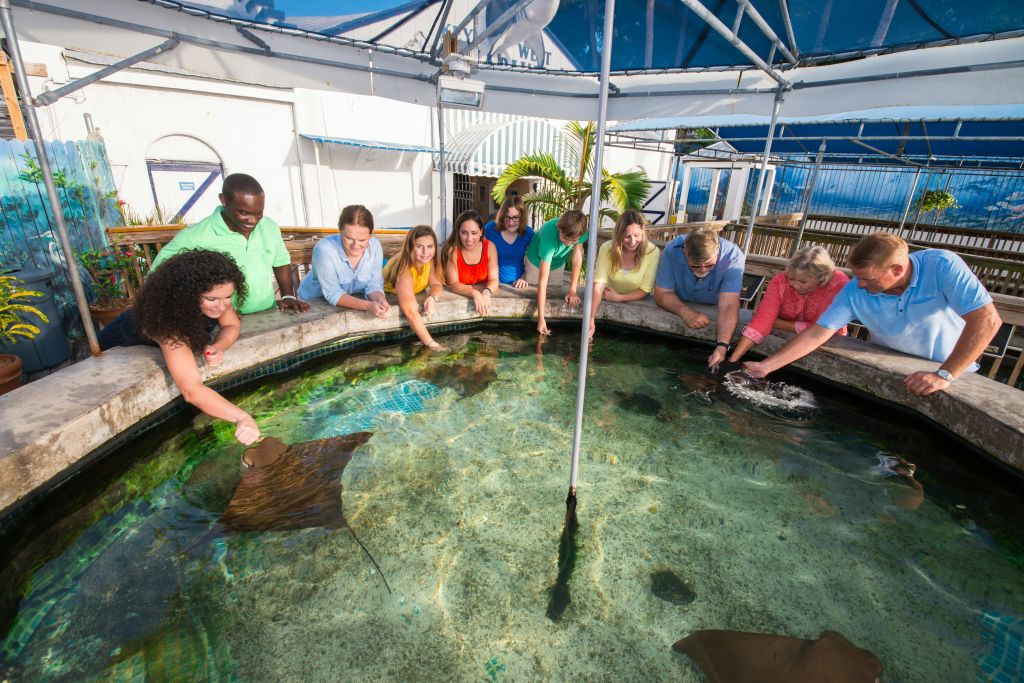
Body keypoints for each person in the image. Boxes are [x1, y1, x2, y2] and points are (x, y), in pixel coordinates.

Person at [744, 233, 1003, 396]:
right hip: (889, 366)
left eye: (868, 279)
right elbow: (816, 333)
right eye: (857, 277)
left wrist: (945, 374)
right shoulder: (854, 288)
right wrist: (766, 367)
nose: (860, 286)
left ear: (897, 269)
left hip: (948, 370)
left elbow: (987, 320)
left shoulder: (943, 266)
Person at [98, 249, 260, 445]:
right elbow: (191, 390)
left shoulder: (219, 297)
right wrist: (242, 417)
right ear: (187, 295)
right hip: (112, 351)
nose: (222, 306)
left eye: (228, 297)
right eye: (212, 299)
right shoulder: (165, 323)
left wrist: (219, 346)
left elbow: (231, 325)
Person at [150, 173, 309, 314]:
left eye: (258, 213)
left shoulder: (269, 227)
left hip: (267, 313)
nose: (253, 221)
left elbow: (280, 260)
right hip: (221, 323)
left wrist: (288, 296)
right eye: (244, 213)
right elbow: (157, 277)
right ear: (224, 200)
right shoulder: (194, 237)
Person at [729, 246, 850, 363]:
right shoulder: (780, 281)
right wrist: (733, 359)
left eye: (803, 281)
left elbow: (820, 330)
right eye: (791, 279)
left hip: (830, 341)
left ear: (822, 277)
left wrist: (777, 323)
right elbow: (763, 320)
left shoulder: (838, 285)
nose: (795, 285)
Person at [654, 226, 745, 368]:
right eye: (695, 266)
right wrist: (684, 312)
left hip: (715, 305)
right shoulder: (673, 249)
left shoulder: (733, 256)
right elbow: (662, 293)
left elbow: (728, 305)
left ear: (717, 251)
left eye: (710, 265)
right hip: (680, 300)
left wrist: (722, 347)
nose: (703, 270)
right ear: (685, 252)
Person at [298, 204, 391, 318]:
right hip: (311, 304)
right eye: (349, 238)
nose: (355, 246)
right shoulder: (324, 249)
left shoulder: (375, 246)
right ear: (340, 231)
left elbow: (374, 285)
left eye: (362, 240)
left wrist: (382, 301)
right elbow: (333, 294)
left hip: (349, 300)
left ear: (371, 235)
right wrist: (368, 305)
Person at [587, 210, 661, 340]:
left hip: (629, 300)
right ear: (619, 235)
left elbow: (645, 290)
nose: (632, 241)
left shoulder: (652, 252)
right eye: (627, 236)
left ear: (643, 232)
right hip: (606, 296)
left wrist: (619, 297)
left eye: (637, 235)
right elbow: (599, 284)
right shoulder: (607, 248)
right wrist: (591, 318)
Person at [524, 209, 588, 336]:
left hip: (558, 262)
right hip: (536, 261)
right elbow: (542, 282)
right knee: (533, 292)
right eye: (565, 238)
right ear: (559, 228)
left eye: (573, 240)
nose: (568, 243)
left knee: (554, 292)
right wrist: (541, 318)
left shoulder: (581, 229)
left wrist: (573, 290)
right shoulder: (549, 236)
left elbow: (577, 258)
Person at [383, 225, 446, 351]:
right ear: (410, 247)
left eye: (430, 246)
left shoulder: (429, 260)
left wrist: (432, 298)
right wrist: (431, 344)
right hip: (389, 292)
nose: (425, 252)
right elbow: (411, 313)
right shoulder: (404, 272)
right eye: (419, 247)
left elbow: (436, 285)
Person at [442, 210, 499, 316]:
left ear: (481, 231)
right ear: (458, 232)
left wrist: (486, 293)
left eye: (474, 233)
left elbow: (494, 280)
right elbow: (453, 284)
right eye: (464, 233)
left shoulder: (490, 247)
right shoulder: (452, 251)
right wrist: (475, 293)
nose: (469, 238)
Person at [484, 196, 534, 288]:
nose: (511, 222)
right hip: (491, 284)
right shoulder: (490, 229)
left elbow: (534, 260)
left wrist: (524, 278)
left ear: (522, 217)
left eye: (515, 218)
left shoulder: (528, 233)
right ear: (502, 216)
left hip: (518, 286)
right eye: (507, 217)